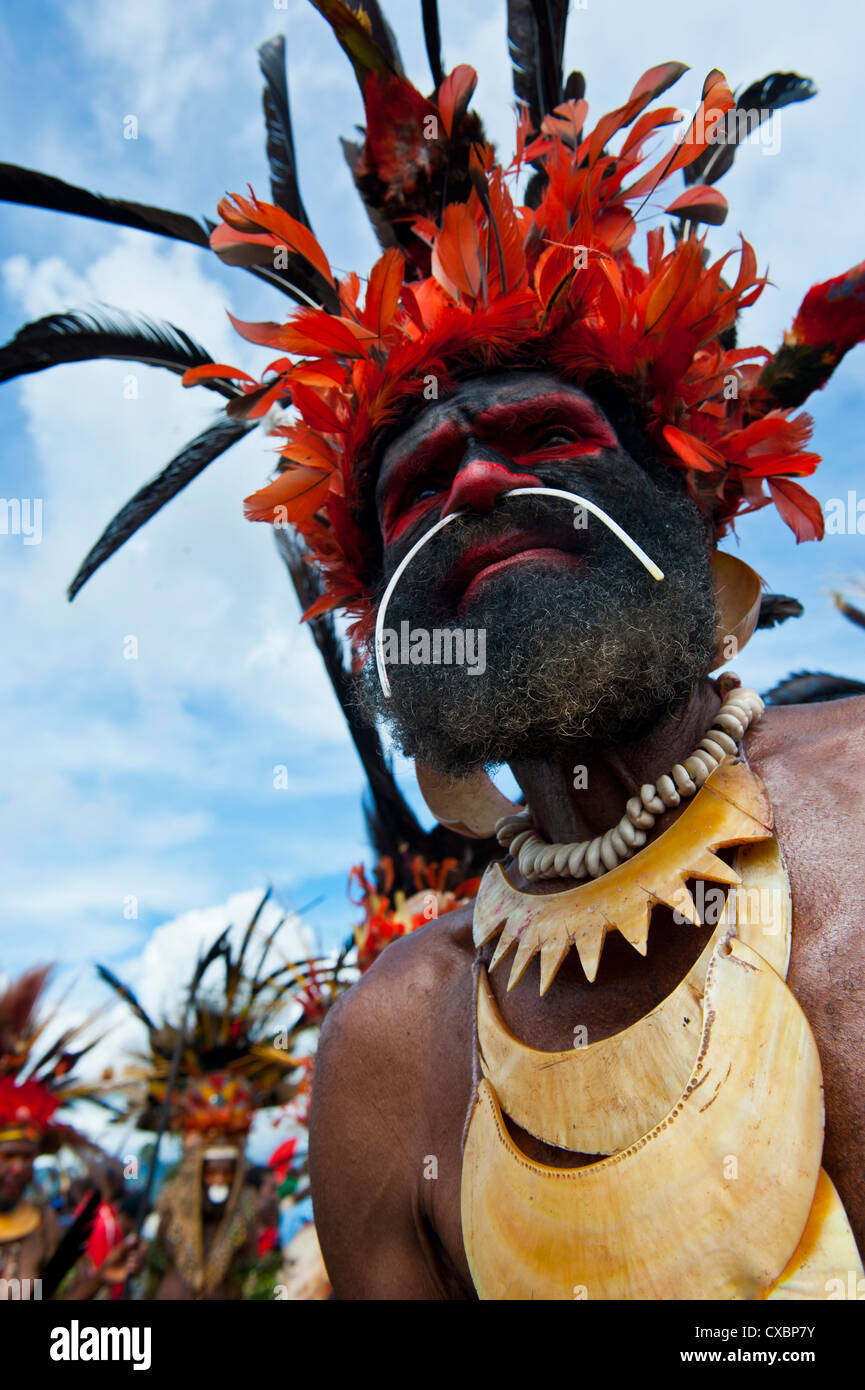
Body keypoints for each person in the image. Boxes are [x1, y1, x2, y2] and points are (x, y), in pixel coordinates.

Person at [176, 11, 863, 1299]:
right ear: (382, 621)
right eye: (419, 484)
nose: (479, 474)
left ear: (682, 499)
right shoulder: (391, 1052)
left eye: (544, 432)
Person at [98, 919, 301, 1300]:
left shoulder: (248, 1215)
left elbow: (262, 1272)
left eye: (227, 1170)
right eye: (213, 1169)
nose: (219, 1180)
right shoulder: (170, 1208)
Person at [0, 967, 144, 1299]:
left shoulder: (41, 1224)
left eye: (26, 1157)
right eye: (7, 1156)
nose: (18, 1168)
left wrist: (100, 1279)